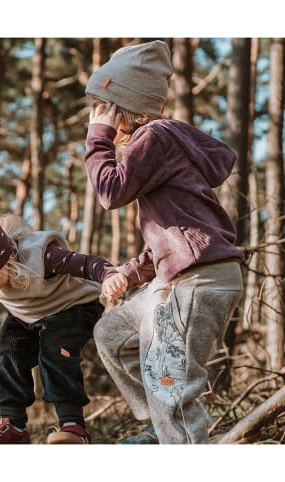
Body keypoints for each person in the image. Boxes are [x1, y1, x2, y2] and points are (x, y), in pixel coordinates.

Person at [84, 40, 244, 444]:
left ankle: (180, 443)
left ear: (122, 103)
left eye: (102, 106)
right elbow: (177, 235)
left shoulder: (154, 136)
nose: (96, 115)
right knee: (114, 335)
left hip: (195, 283)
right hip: (181, 276)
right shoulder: (161, 144)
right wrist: (130, 272)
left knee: (171, 390)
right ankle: (162, 432)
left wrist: (98, 138)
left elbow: (110, 191)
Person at [0, 206, 122, 444]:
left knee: (55, 351)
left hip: (74, 306)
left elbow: (84, 263)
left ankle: (72, 425)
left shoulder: (42, 256)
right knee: (7, 351)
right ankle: (13, 425)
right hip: (30, 315)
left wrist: (109, 275)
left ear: (5, 261)